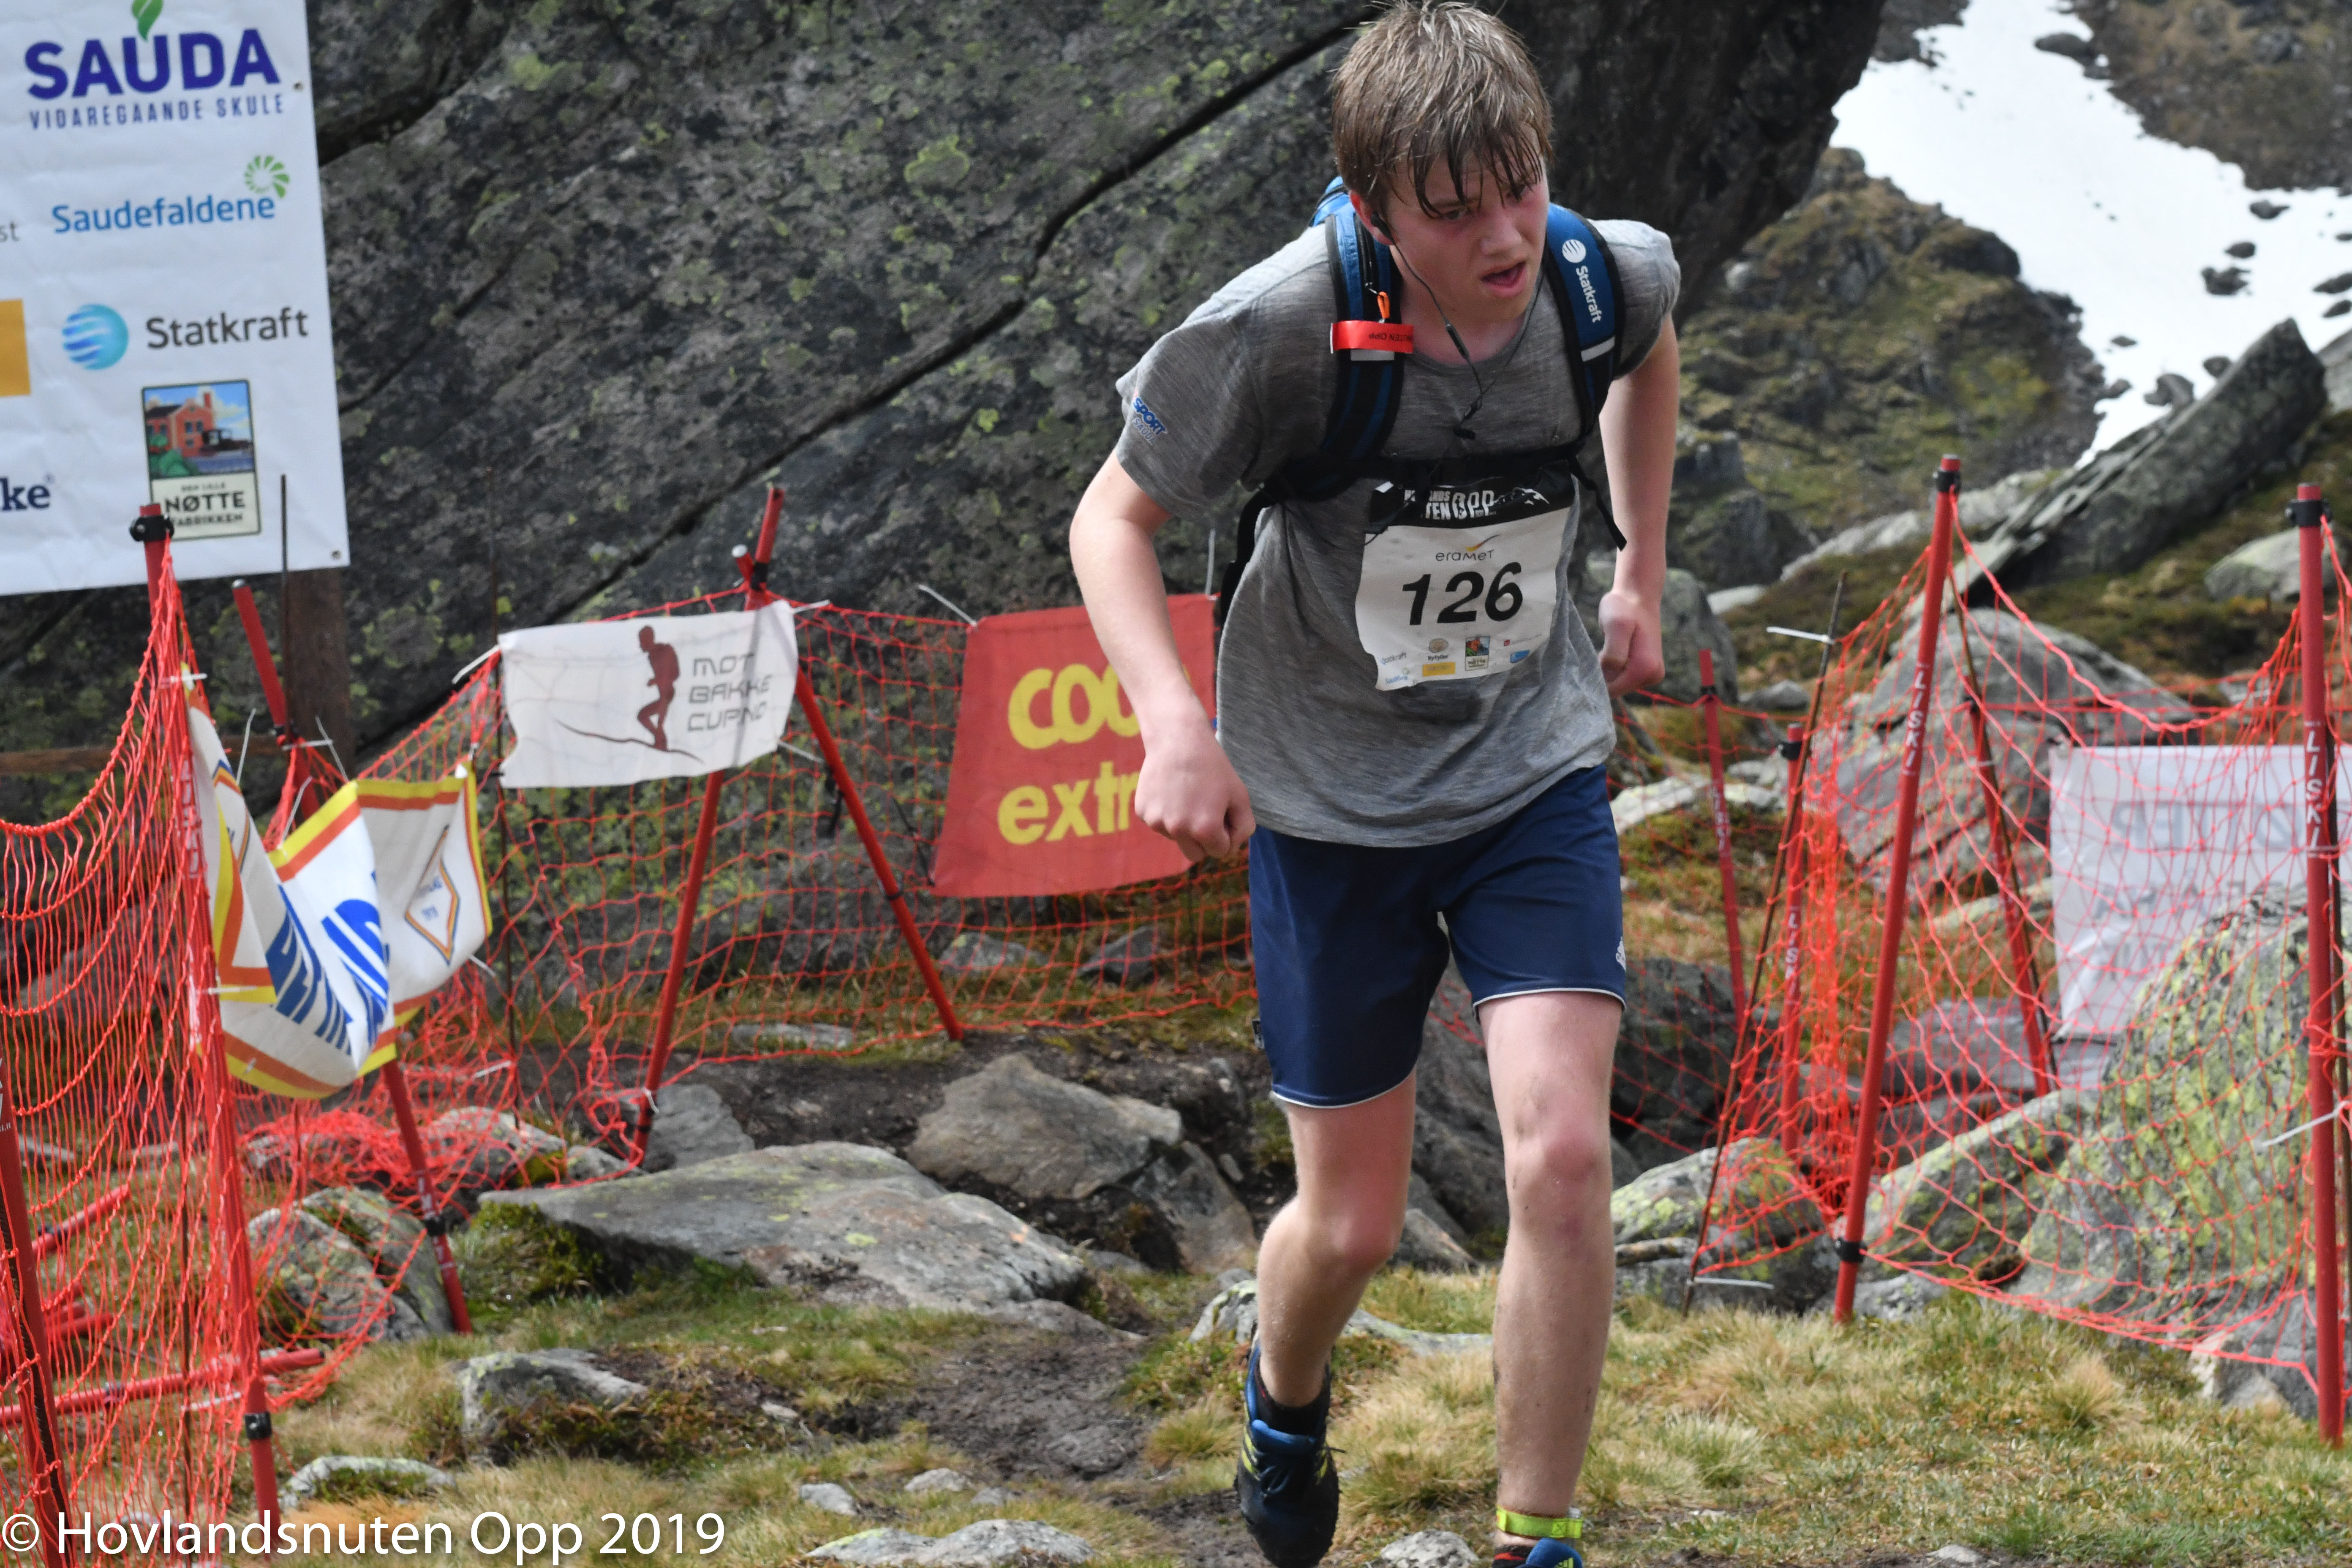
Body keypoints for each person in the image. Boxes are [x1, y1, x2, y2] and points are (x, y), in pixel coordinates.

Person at [1067, 5, 1679, 1567]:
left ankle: (1535, 1534)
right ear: (1373, 208)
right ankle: (1284, 1394)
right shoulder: (1276, 326)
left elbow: (1647, 350)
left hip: (1527, 765)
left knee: (1560, 1152)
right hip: (1328, 801)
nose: (1506, 236)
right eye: (1455, 211)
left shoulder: (1601, 275)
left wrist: (1636, 569)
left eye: (1522, 187)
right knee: (1347, 1222)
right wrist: (1170, 722)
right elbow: (1108, 521)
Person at [637, 624, 680, 751]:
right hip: (663, 693)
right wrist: (656, 681)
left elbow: (672, 674)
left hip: (668, 692)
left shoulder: (663, 651)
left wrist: (656, 680)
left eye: (642, 641)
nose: (641, 645)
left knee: (656, 720)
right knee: (644, 717)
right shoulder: (652, 655)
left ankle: (661, 741)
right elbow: (663, 674)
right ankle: (660, 740)